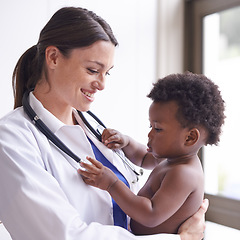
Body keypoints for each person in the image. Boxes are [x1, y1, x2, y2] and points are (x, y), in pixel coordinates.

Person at [0, 7, 208, 240]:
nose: (101, 85)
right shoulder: (11, 140)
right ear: (53, 57)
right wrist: (181, 238)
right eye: (92, 70)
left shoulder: (96, 130)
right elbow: (64, 236)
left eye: (106, 73)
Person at [79, 72, 225, 235]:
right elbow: (143, 158)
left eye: (158, 129)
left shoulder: (184, 174)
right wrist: (126, 142)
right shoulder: (173, 158)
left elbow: (150, 215)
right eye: (151, 126)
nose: (150, 135)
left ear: (190, 137)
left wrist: (111, 184)